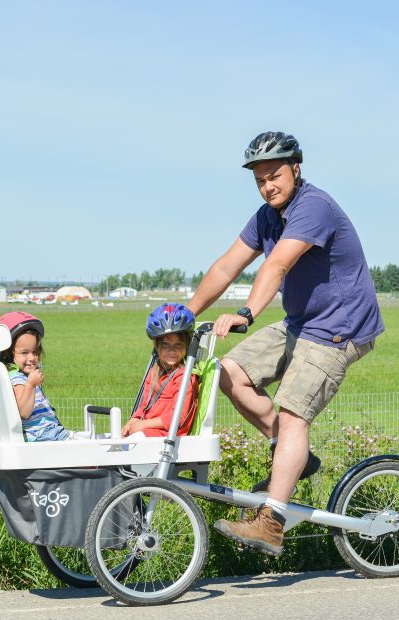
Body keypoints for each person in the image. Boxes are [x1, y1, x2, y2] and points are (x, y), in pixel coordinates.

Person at [187, 131, 384, 556]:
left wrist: (246, 314)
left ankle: (272, 521)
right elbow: (226, 266)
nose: (267, 186)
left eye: (274, 175)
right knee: (229, 373)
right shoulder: (266, 217)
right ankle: (293, 457)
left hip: (339, 330)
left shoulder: (314, 207)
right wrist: (184, 317)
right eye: (260, 180)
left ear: (297, 168)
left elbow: (277, 265)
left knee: (295, 413)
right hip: (301, 322)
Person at [122, 303, 200, 438]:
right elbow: (145, 405)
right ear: (156, 346)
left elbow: (179, 417)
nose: (171, 350)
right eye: (165, 345)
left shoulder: (184, 376)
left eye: (178, 345)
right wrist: (134, 420)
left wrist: (144, 425)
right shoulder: (155, 372)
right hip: (151, 429)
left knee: (134, 439)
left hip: (170, 433)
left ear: (187, 346)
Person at [0, 311, 72, 442]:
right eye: (24, 353)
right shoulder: (18, 379)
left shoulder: (22, 377)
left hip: (48, 433)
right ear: (8, 354)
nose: (31, 358)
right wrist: (30, 385)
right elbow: (24, 412)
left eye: (35, 352)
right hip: (43, 436)